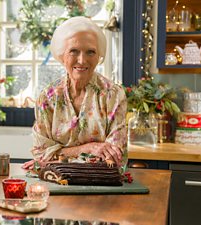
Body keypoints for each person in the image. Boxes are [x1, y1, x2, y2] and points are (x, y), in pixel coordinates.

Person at [22, 16, 127, 169]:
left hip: (102, 187)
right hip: (56, 185)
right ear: (62, 56)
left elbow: (114, 158)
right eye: (74, 51)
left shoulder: (113, 95)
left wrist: (55, 158)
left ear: (99, 57)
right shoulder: (48, 98)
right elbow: (40, 154)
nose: (82, 60)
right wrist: (88, 148)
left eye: (90, 52)